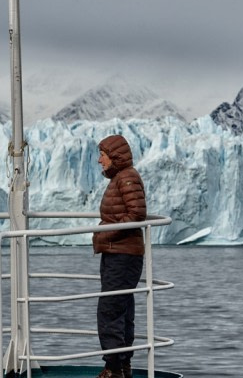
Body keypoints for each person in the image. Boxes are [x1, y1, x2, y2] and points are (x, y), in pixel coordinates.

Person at [93, 134, 147, 378]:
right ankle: (123, 366)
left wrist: (106, 233)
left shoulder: (126, 178)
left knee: (110, 309)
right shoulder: (121, 178)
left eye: (102, 155)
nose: (99, 160)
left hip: (122, 253)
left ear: (114, 156)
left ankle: (114, 369)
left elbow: (137, 214)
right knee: (121, 309)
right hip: (118, 252)